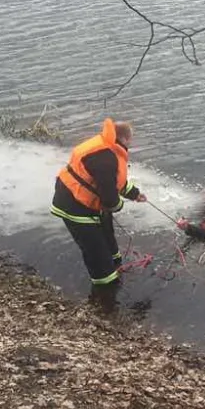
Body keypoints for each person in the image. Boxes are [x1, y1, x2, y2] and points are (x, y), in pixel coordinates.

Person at [50, 117, 146, 294]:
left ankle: (115, 261)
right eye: (131, 139)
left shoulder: (108, 148)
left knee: (107, 233)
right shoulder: (106, 157)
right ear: (124, 138)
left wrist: (135, 194)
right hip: (74, 205)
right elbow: (110, 199)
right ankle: (106, 292)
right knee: (95, 251)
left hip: (88, 201)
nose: (131, 143)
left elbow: (115, 182)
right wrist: (119, 206)